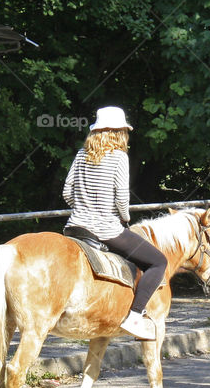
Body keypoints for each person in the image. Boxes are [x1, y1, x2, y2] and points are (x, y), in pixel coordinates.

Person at [62, 106, 168, 340]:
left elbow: (67, 192)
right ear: (120, 133)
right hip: (105, 229)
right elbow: (121, 199)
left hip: (75, 227)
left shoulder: (81, 154)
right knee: (159, 262)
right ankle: (135, 316)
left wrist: (82, 206)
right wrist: (125, 218)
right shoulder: (119, 157)